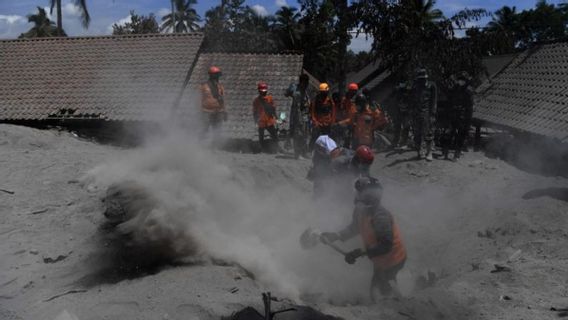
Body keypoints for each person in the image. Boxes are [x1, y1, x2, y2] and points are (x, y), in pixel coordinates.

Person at [321, 176, 407, 301]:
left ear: (368, 196)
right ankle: (395, 300)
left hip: (394, 258)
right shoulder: (361, 210)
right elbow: (354, 227)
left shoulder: (380, 216)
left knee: (379, 289)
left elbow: (386, 245)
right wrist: (336, 236)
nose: (356, 195)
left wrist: (360, 253)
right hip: (380, 257)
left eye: (359, 192)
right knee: (382, 285)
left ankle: (399, 305)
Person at [442, 72, 474, 161]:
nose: (461, 81)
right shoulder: (456, 88)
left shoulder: (469, 91)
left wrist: (468, 120)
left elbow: (470, 107)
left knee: (460, 136)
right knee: (449, 133)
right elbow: (449, 94)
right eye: (460, 79)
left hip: (463, 117)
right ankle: (445, 153)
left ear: (466, 81)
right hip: (453, 114)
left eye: (463, 79)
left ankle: (456, 155)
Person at [410, 68, 437, 161]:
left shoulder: (431, 86)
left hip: (427, 113)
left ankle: (429, 153)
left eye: (423, 78)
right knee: (417, 134)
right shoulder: (415, 86)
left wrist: (432, 114)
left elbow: (434, 101)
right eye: (420, 78)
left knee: (428, 133)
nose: (422, 80)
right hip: (417, 113)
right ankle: (419, 152)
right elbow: (412, 101)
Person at [285, 74, 311, 159]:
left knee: (305, 135)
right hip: (297, 115)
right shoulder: (294, 87)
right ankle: (297, 153)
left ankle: (304, 152)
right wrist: (291, 93)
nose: (307, 85)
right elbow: (286, 93)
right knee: (298, 134)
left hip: (305, 116)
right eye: (305, 83)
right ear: (302, 82)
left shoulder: (306, 91)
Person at [200, 66, 227, 142]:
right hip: (206, 111)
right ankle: (200, 144)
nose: (218, 77)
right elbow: (198, 99)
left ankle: (214, 146)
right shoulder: (203, 86)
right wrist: (199, 111)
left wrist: (225, 111)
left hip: (218, 112)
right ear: (211, 75)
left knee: (217, 130)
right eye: (216, 75)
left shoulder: (220, 87)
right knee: (204, 129)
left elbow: (223, 100)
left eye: (218, 75)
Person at [252, 82, 278, 152]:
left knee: (274, 134)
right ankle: (261, 149)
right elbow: (254, 112)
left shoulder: (270, 98)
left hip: (269, 120)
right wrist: (255, 121)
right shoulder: (256, 101)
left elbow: (273, 108)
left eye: (264, 91)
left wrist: (276, 117)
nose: (263, 93)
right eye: (262, 92)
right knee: (261, 137)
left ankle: (276, 148)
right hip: (261, 121)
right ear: (259, 91)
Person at [310, 83, 336, 150]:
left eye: (325, 92)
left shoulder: (330, 100)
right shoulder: (316, 100)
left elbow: (333, 111)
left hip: (327, 123)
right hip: (318, 122)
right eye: (322, 92)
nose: (323, 94)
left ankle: (326, 150)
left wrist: (332, 122)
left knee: (327, 138)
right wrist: (315, 121)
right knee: (315, 137)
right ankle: (311, 150)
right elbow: (312, 111)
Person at [334, 83, 359, 148]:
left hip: (350, 124)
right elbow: (340, 110)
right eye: (353, 91)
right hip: (344, 123)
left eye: (355, 91)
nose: (354, 93)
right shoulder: (344, 100)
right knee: (342, 140)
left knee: (348, 141)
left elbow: (353, 116)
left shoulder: (355, 101)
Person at [392, 81, 411, 150]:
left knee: (406, 127)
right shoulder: (397, 90)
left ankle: (404, 143)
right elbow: (395, 101)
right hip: (399, 110)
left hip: (406, 111)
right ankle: (395, 142)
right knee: (397, 126)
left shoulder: (408, 90)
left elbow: (410, 101)